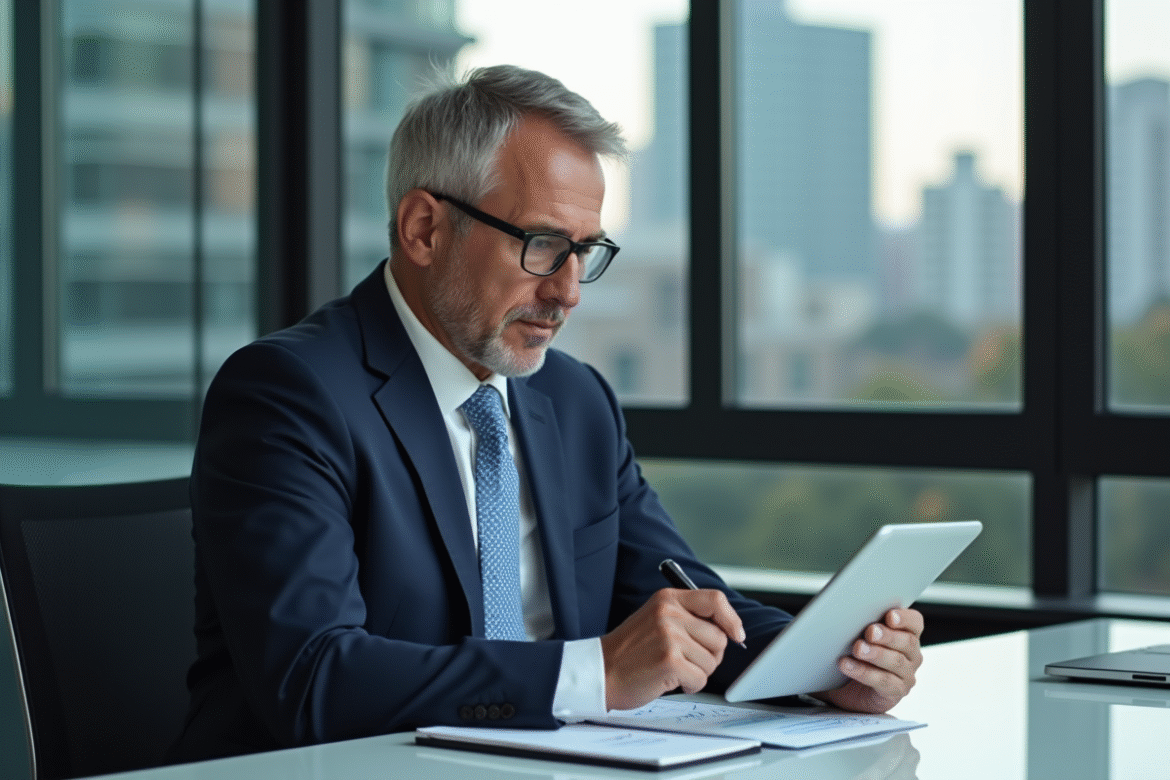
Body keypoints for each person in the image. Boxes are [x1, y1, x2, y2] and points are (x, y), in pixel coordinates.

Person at [169, 64, 923, 762]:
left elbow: (686, 601)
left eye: (586, 252)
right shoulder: (286, 392)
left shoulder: (575, 400)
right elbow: (313, 678)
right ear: (424, 228)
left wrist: (823, 667)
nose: (569, 293)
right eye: (540, 245)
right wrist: (592, 673)